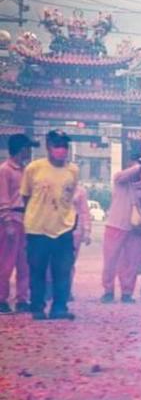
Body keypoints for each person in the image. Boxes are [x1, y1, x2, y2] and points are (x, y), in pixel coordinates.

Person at [20, 130, 79, 320]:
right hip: (37, 228)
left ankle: (59, 307)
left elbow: (69, 197)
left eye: (64, 146)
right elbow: (26, 195)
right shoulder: (34, 168)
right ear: (48, 147)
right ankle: (37, 306)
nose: (61, 150)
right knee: (37, 269)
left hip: (63, 227)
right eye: (57, 146)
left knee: (62, 269)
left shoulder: (73, 171)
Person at [101, 156, 141, 303]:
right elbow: (122, 176)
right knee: (110, 261)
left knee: (131, 263)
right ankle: (108, 291)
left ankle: (127, 292)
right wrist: (139, 167)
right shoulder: (120, 180)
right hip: (115, 225)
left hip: (134, 230)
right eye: (138, 166)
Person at [0, 133, 39, 314]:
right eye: (28, 148)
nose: (30, 151)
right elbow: (3, 198)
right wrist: (7, 221)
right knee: (5, 263)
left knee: (25, 263)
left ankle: (22, 299)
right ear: (22, 149)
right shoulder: (5, 170)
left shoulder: (26, 171)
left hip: (26, 220)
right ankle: (2, 299)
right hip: (12, 219)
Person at [69, 182, 92, 298]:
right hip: (54, 228)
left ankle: (66, 289)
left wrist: (87, 231)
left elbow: (84, 212)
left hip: (75, 231)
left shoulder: (80, 191)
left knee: (69, 261)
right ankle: (49, 287)